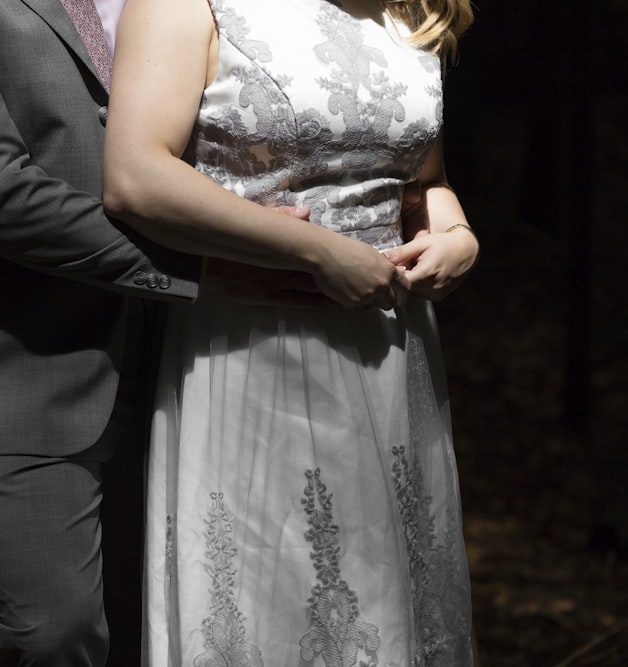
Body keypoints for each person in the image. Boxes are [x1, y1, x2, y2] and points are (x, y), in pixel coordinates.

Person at [0, 0, 409, 664]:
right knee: (56, 635)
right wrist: (205, 262)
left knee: (174, 625)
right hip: (26, 355)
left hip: (197, 357)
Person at [102, 0, 479, 664]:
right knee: (267, 593)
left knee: (393, 608)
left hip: (394, 354)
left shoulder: (406, 11)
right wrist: (309, 250)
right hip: (255, 340)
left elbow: (424, 178)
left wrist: (455, 233)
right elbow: (137, 177)